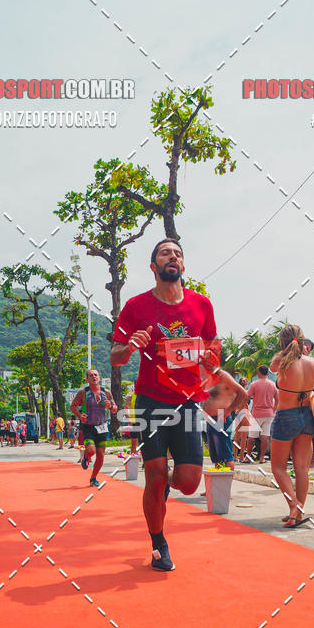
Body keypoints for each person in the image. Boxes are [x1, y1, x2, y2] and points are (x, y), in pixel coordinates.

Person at [111, 238, 217, 572]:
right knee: (155, 477)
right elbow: (115, 357)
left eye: (178, 254)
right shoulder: (136, 306)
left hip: (187, 402)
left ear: (183, 266)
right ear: (153, 266)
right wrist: (130, 346)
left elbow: (214, 355)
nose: (173, 256)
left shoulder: (202, 305)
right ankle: (158, 544)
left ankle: (164, 488)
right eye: (165, 253)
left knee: (189, 482)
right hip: (151, 401)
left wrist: (205, 355)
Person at [269, 325, 314, 528]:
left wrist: (283, 351)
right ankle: (297, 513)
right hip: (307, 415)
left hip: (286, 415)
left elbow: (272, 368)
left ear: (282, 342)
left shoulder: (280, 361)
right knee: (301, 467)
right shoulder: (313, 362)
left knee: (278, 467)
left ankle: (293, 506)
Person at [70, 370, 117, 486]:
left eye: (96, 375)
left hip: (102, 427)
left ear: (99, 378)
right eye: (91, 375)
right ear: (87, 379)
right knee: (91, 450)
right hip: (88, 427)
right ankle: (86, 457)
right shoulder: (83, 392)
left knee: (100, 455)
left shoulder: (106, 392)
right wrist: (80, 416)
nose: (94, 377)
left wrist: (110, 406)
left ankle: (93, 478)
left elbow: (114, 408)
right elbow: (73, 406)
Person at [203, 371, 249, 471]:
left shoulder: (223, 376)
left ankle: (227, 480)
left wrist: (228, 410)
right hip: (210, 419)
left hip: (221, 417)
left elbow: (243, 394)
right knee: (217, 458)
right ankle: (220, 479)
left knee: (225, 456)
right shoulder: (210, 378)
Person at [246, 365, 277, 463]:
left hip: (256, 413)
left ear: (259, 373)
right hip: (268, 414)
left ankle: (248, 457)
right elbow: (277, 399)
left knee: (251, 437)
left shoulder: (254, 384)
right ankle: (262, 458)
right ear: (267, 373)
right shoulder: (272, 384)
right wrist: (273, 410)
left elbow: (247, 397)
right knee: (265, 436)